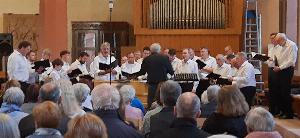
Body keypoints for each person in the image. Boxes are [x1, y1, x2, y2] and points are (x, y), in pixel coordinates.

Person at [137, 43, 174, 108]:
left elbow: (142, 72)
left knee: (151, 101)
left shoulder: (147, 59)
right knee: (163, 100)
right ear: (159, 50)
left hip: (152, 84)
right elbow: (171, 71)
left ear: (151, 50)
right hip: (163, 84)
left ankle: (150, 115)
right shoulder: (165, 58)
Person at [273, 33, 298, 119]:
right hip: (280, 69)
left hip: (287, 70)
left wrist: (280, 67)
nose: (277, 43)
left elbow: (291, 61)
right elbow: (278, 57)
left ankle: (289, 113)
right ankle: (282, 111)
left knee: (285, 92)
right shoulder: (280, 45)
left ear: (282, 39)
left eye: (277, 41)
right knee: (279, 91)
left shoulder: (292, 45)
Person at [265, 33, 281, 116]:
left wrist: (272, 60)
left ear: (277, 39)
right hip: (270, 69)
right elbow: (268, 60)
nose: (272, 40)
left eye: (273, 38)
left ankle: (276, 110)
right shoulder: (271, 47)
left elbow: (279, 60)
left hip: (276, 70)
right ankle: (271, 109)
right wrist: (264, 59)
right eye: (270, 39)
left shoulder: (280, 47)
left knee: (276, 90)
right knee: (271, 89)